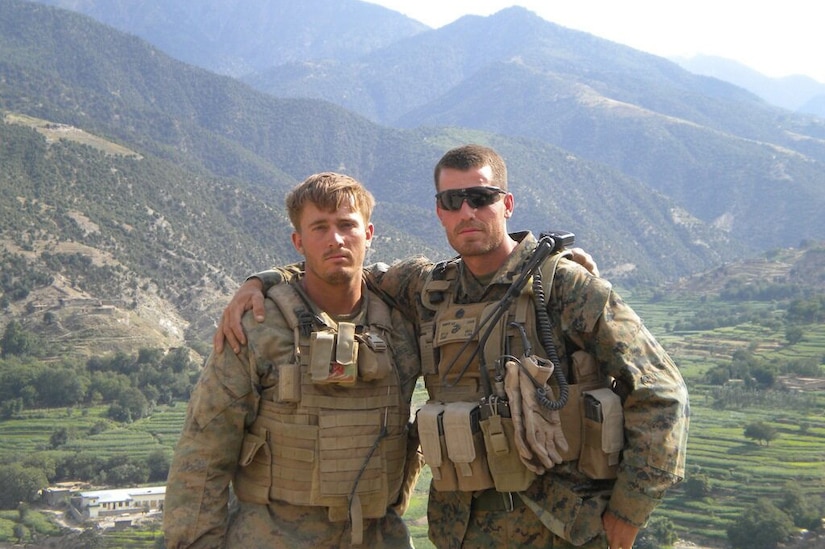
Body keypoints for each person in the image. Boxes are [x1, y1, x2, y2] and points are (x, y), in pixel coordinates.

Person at [216, 145, 689, 549]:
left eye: (480, 198)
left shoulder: (562, 286)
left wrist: (628, 513)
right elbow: (342, 265)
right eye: (453, 200)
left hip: (563, 528)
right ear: (440, 211)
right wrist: (263, 280)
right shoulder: (428, 287)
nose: (467, 211)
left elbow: (661, 393)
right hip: (463, 531)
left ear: (506, 204)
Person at [163, 172, 423, 548]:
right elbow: (203, 453)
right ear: (298, 242)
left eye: (347, 225)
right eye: (320, 228)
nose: (335, 239)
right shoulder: (258, 328)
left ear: (368, 234)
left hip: (379, 535)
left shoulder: (402, 324)